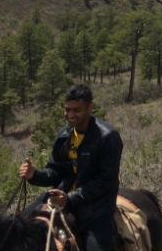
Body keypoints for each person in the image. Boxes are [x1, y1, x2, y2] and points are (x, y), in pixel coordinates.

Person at [19, 83, 123, 251]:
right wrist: (34, 175)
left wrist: (70, 198)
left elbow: (105, 182)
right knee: (17, 227)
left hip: (96, 207)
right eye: (67, 110)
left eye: (76, 110)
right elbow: (55, 171)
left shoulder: (107, 137)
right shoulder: (65, 135)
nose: (70, 115)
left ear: (90, 107)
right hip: (62, 197)